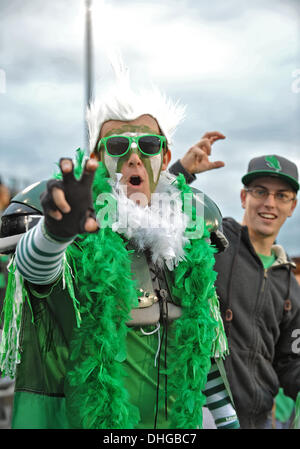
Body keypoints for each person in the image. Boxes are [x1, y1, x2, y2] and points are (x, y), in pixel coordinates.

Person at [0, 79, 239, 429]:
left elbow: (199, 348)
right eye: (117, 145)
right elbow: (37, 274)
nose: (133, 157)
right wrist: (57, 232)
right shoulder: (82, 235)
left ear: (165, 157)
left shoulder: (187, 236)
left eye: (148, 145)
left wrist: (228, 420)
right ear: (98, 158)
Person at [169, 145, 300, 429]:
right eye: (260, 191)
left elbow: (290, 361)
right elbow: (151, 215)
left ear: (293, 206)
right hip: (200, 413)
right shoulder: (213, 241)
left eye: (282, 196)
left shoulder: (291, 284)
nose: (270, 203)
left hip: (259, 420)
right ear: (243, 197)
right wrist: (182, 171)